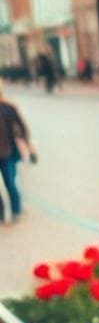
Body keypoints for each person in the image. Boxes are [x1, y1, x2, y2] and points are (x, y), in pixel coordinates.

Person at [0, 81, 34, 223]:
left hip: (7, 153)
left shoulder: (8, 108)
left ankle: (16, 211)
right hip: (6, 152)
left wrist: (27, 144)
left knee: (10, 183)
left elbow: (22, 127)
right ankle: (1, 214)